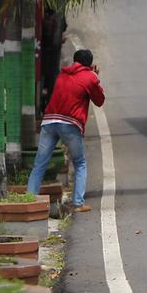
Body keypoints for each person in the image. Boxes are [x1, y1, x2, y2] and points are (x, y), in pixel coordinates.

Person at [27, 49, 105, 212]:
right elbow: (99, 100)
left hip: (49, 121)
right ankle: (78, 203)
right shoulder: (90, 77)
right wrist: (95, 77)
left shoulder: (61, 75)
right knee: (80, 163)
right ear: (89, 64)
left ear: (74, 61)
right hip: (70, 123)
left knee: (40, 163)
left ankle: (30, 199)